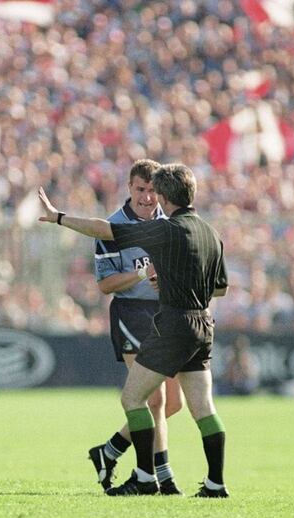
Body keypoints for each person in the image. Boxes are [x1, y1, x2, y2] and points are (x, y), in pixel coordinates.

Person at [38, 163, 230, 497]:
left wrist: (59, 217)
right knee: (203, 407)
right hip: (202, 324)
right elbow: (221, 289)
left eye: (156, 192)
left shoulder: (165, 229)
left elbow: (105, 230)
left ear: (166, 197)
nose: (150, 197)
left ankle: (142, 476)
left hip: (171, 324)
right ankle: (215, 484)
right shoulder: (210, 232)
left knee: (134, 397)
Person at [88, 159, 184, 495]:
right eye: (140, 190)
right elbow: (106, 284)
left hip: (165, 314)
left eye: (153, 191)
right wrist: (144, 275)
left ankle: (110, 450)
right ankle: (161, 476)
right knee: (153, 399)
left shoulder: (170, 223)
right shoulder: (113, 228)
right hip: (131, 314)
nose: (147, 197)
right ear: (129, 189)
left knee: (174, 404)